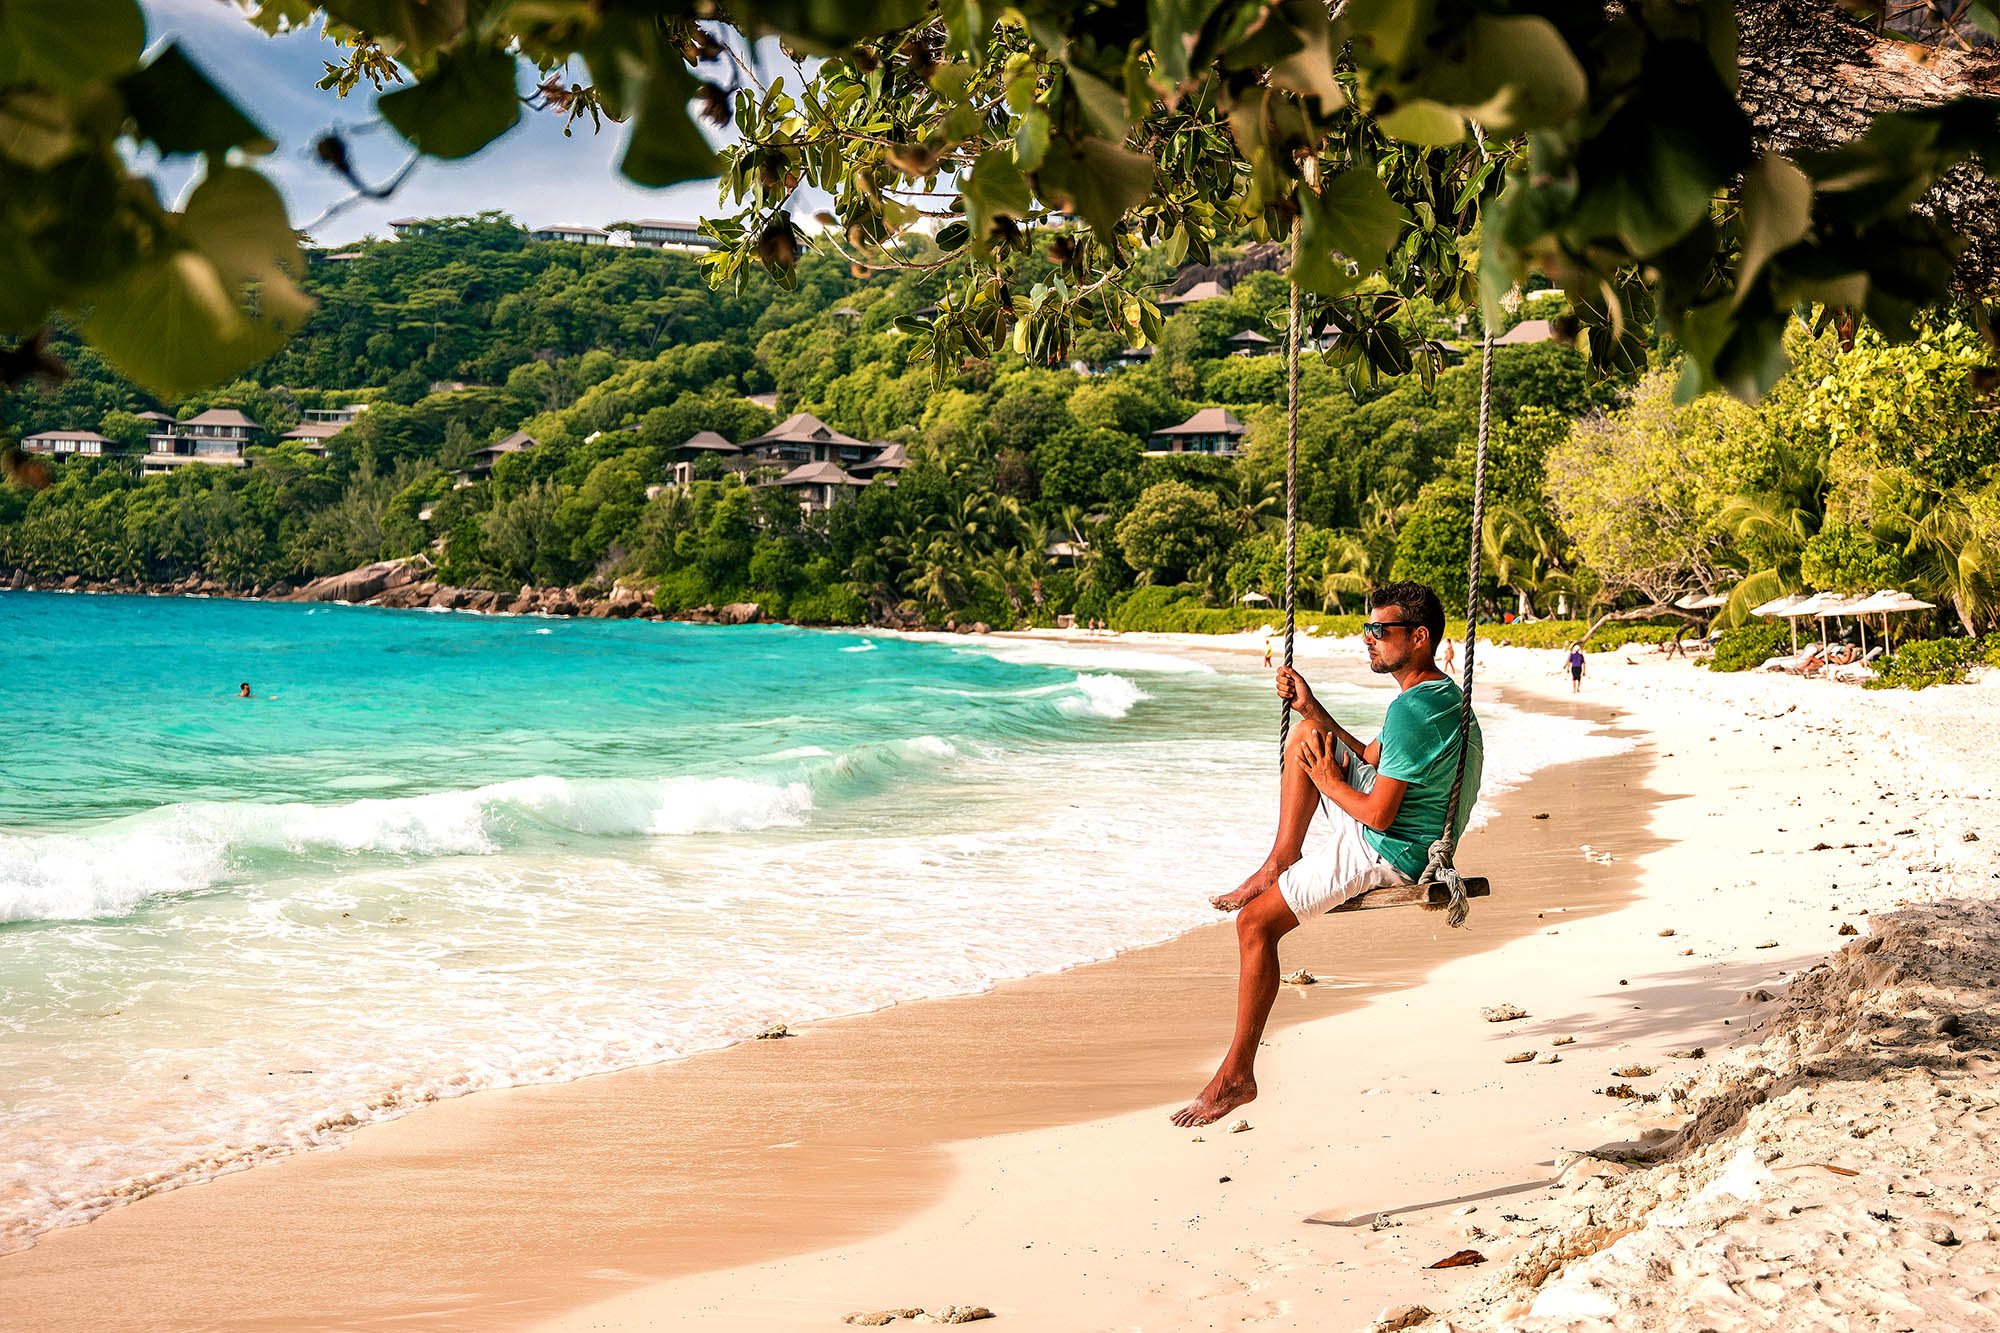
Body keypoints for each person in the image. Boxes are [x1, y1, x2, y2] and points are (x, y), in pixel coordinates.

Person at [1175, 581, 1483, 1128]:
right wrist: (1314, 709)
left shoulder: (1414, 711)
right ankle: (1280, 859)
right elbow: (1373, 758)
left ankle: (1237, 1076)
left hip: (1390, 851)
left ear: (1417, 637)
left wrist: (1325, 780)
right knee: (1305, 736)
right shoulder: (1434, 698)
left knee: (1254, 924)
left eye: (1379, 631)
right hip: (1402, 832)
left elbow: (1379, 813)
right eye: (1367, 628)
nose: (1368, 639)